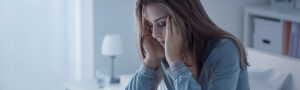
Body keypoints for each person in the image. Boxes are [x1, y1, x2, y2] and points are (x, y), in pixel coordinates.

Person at [126, 0, 250, 90]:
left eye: (162, 23)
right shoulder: (163, 50)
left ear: (186, 18)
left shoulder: (225, 50)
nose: (154, 34)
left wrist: (175, 63)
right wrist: (151, 59)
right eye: (151, 25)